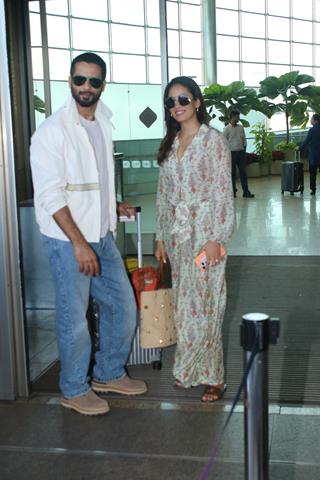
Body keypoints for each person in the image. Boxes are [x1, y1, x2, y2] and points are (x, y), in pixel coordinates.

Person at [30, 52, 147, 416]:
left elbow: (93, 181)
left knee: (124, 306)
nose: (87, 87)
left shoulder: (103, 123)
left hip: (101, 235)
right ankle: (74, 388)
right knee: (73, 317)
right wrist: (79, 244)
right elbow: (50, 194)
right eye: (80, 80)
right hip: (68, 242)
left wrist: (112, 206)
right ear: (69, 81)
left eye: (94, 81)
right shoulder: (52, 131)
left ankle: (108, 373)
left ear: (103, 85)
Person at [155, 76, 235, 402]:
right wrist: (161, 237)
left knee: (209, 304)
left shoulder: (213, 141)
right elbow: (163, 196)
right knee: (185, 307)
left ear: (197, 102)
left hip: (206, 239)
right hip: (179, 238)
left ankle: (214, 377)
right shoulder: (170, 146)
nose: (177, 106)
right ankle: (188, 369)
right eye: (171, 102)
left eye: (183, 99)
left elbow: (222, 192)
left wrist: (217, 238)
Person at [223, 111, 254, 198]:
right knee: (232, 174)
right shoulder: (226, 129)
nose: (238, 118)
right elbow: (223, 142)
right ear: (232, 117)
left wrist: (244, 151)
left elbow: (244, 140)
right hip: (231, 154)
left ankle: (246, 192)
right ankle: (233, 192)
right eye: (237, 116)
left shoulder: (241, 128)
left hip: (241, 154)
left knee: (243, 173)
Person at [299, 113, 320, 195]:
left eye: (312, 119)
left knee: (313, 174)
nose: (310, 120)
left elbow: (306, 141)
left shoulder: (312, 130)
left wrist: (299, 148)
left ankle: (313, 190)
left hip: (314, 156)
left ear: (315, 121)